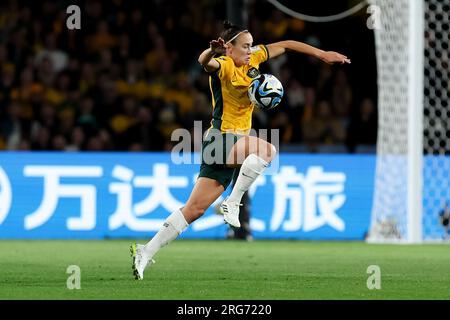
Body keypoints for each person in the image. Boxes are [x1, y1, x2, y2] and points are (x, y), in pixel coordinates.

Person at [130, 20, 350, 280]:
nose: (250, 50)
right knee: (268, 150)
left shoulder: (254, 57)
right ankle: (232, 203)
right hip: (220, 139)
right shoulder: (223, 66)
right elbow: (204, 62)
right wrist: (212, 51)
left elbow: (287, 44)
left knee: (194, 209)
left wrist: (322, 54)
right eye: (244, 46)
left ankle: (145, 250)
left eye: (251, 45)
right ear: (229, 49)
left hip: (230, 144)